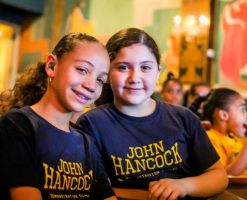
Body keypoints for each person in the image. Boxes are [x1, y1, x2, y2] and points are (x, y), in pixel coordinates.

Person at [77, 28, 228, 199]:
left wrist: (184, 185)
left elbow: (219, 176)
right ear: (107, 73)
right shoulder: (92, 124)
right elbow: (97, 188)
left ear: (158, 72)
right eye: (123, 67)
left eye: (145, 67)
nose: (135, 77)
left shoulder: (184, 118)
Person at [0, 33, 116, 200]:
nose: (91, 86)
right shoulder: (18, 125)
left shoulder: (86, 141)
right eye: (82, 70)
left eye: (100, 80)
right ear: (52, 66)